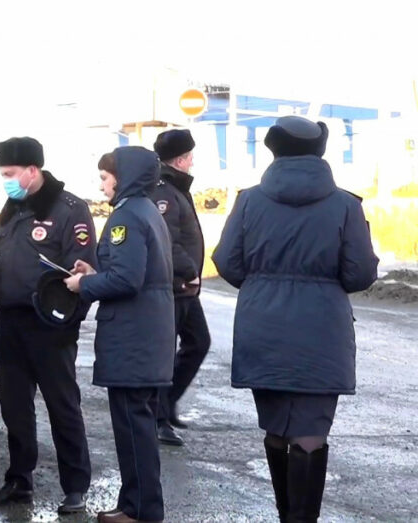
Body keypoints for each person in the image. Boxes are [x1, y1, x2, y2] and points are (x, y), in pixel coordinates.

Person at [212, 116, 379, 523]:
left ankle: (287, 516)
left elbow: (226, 262)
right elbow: (359, 273)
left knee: (275, 426)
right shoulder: (345, 205)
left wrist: (263, 286)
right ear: (319, 151)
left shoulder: (249, 200)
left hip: (262, 328)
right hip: (322, 334)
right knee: (310, 432)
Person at [0, 136, 98, 514]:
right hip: (10, 319)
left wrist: (66, 321)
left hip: (49, 325)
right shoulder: (11, 208)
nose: (6, 181)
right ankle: (20, 479)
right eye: (2, 175)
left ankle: (75, 485)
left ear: (33, 170)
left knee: (62, 405)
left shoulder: (69, 210)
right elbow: (4, 256)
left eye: (10, 174)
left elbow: (83, 271)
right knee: (14, 405)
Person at [65, 146, 175, 523]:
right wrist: (94, 272)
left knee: (133, 429)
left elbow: (128, 280)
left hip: (133, 337)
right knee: (136, 425)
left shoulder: (126, 217)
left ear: (123, 177)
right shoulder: (146, 210)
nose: (101, 186)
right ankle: (134, 503)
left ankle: (142, 511)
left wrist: (84, 284)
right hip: (146, 335)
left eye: (105, 177)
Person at [150, 129, 211, 447]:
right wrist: (189, 271)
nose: (192, 162)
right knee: (163, 354)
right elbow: (167, 240)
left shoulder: (176, 188)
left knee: (198, 343)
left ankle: (168, 403)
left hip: (185, 287)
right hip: (175, 285)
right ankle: (158, 418)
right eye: (190, 156)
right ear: (182, 159)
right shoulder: (164, 191)